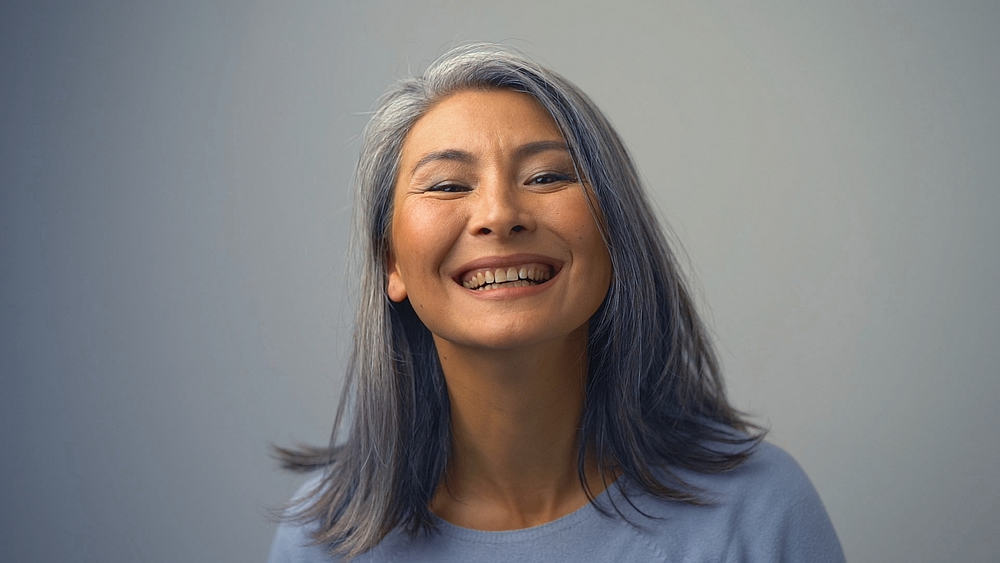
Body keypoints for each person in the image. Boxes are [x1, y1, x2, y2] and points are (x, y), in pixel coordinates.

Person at [268, 43, 844, 562]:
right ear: (391, 262)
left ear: (614, 235)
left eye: (546, 177)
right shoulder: (324, 538)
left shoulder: (761, 512)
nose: (498, 214)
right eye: (447, 185)